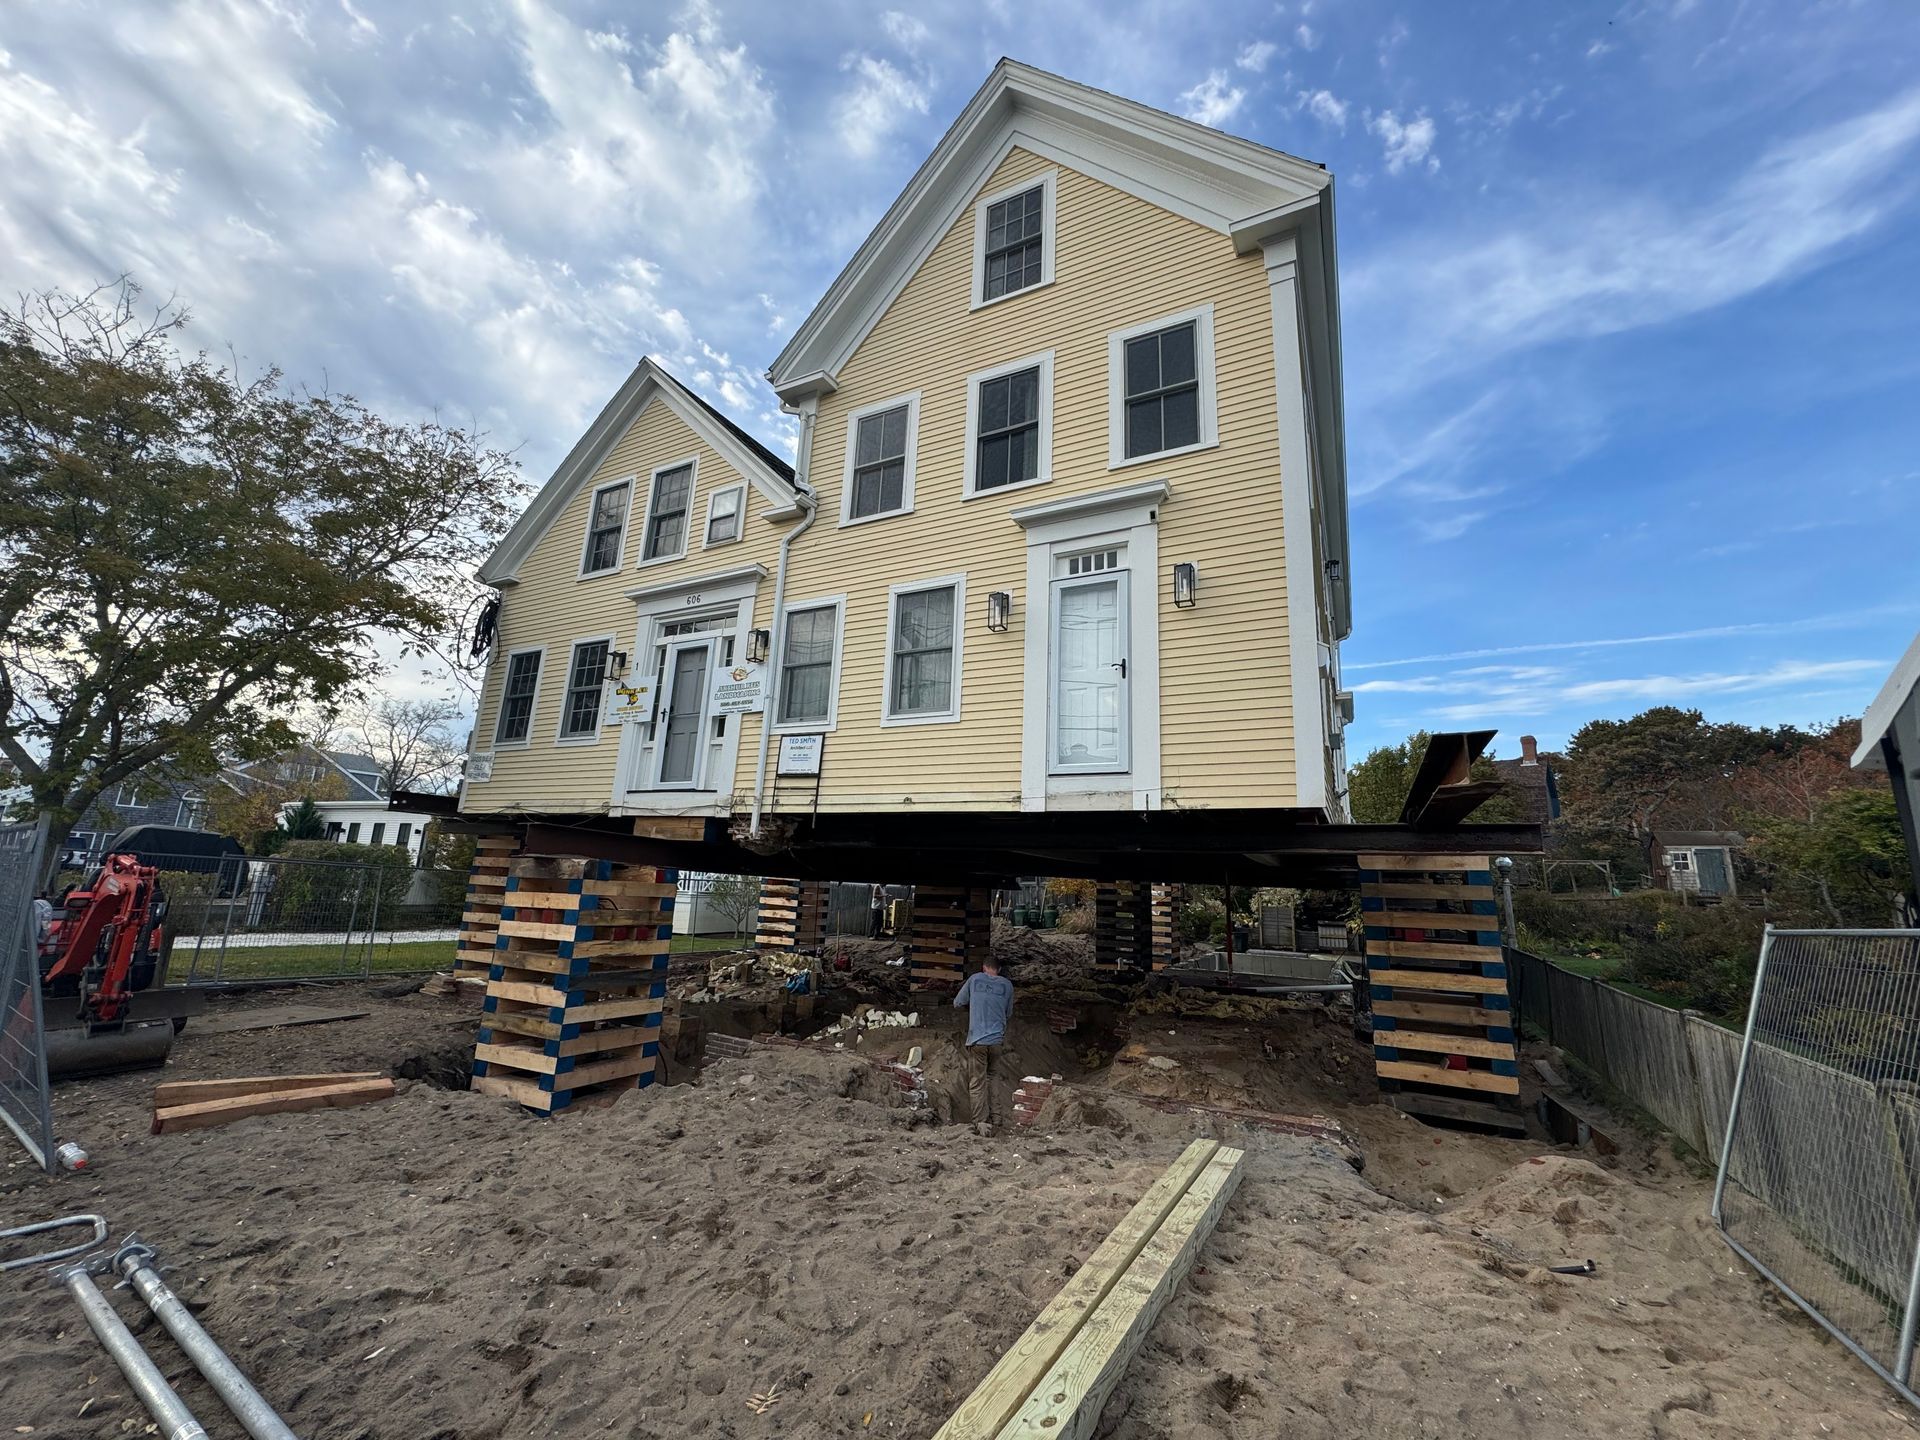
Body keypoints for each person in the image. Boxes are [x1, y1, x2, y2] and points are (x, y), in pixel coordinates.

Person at [953, 956, 1014, 1133]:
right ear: (999, 969)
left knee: (977, 1081)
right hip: (996, 1041)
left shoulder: (974, 979)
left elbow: (958, 1002)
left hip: (977, 1040)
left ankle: (980, 1121)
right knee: (993, 1077)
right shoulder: (1007, 986)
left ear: (983, 967)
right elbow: (1008, 1013)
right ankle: (997, 1117)